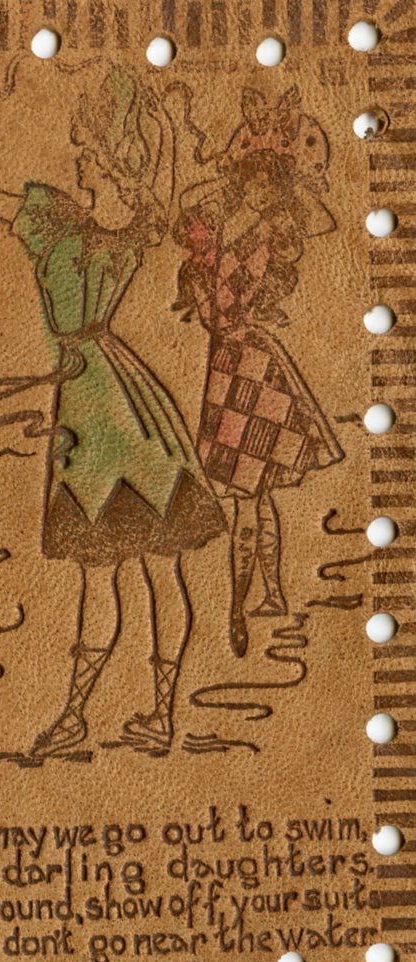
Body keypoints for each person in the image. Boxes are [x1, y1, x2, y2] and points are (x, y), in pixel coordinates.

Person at [0, 64, 226, 756]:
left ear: (112, 168)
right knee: (146, 565)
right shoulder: (104, 233)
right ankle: (132, 716)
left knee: (117, 567)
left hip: (96, 403)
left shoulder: (72, 232)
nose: (79, 162)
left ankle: (90, 716)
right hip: (125, 396)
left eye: (89, 155)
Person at [172, 87, 343, 658]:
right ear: (241, 180)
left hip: (252, 368)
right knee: (255, 494)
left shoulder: (271, 233)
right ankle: (268, 594)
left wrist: (291, 165)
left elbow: (321, 220)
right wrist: (245, 151)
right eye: (253, 180)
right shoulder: (217, 231)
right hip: (228, 368)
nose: (260, 192)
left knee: (249, 493)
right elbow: (191, 205)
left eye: (271, 184)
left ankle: (238, 608)